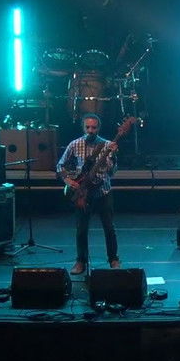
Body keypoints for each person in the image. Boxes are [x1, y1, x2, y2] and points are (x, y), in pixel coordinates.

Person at [57, 113, 120, 274]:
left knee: (109, 228)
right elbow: (60, 165)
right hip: (83, 193)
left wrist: (113, 155)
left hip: (103, 191)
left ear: (99, 128)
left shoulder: (107, 145)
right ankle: (81, 261)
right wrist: (68, 180)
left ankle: (113, 259)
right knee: (81, 229)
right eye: (88, 127)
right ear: (83, 128)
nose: (91, 130)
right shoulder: (75, 144)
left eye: (94, 127)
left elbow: (112, 172)